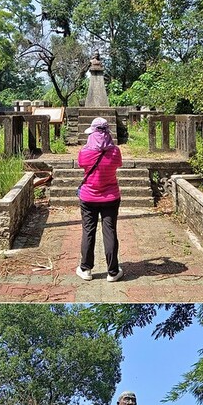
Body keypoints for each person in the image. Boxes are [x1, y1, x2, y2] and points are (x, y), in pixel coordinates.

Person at [76, 117, 124, 282]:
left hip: (88, 197)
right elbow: (117, 165)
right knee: (109, 232)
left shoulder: (85, 152)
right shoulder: (115, 151)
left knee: (88, 232)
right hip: (111, 196)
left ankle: (86, 269)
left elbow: (82, 164)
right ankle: (112, 271)